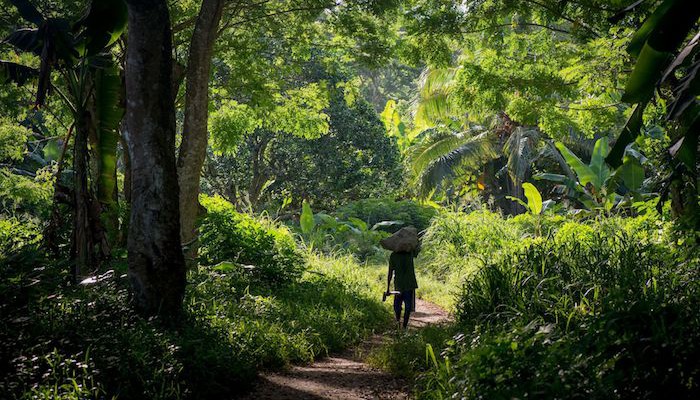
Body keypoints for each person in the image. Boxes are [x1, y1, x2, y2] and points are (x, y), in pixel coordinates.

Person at [385, 245, 419, 329]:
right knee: (402, 307)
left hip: (404, 285)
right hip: (404, 285)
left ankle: (401, 325)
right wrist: (388, 287)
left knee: (402, 307)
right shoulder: (407, 253)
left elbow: (390, 272)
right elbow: (390, 271)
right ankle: (400, 324)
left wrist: (388, 287)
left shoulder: (407, 253)